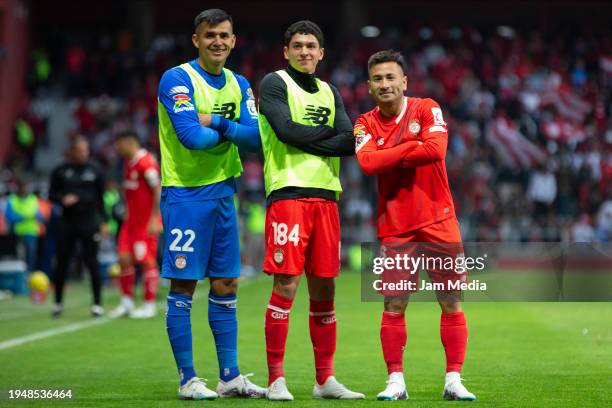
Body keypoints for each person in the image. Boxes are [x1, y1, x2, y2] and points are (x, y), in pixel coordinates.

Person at [354, 50, 476, 401]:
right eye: (378, 79)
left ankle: (454, 379)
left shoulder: (425, 107)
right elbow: (366, 164)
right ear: (369, 86)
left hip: (439, 220)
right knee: (394, 304)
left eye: (391, 77)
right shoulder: (364, 122)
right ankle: (395, 381)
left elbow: (437, 149)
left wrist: (385, 154)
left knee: (451, 300)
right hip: (395, 227)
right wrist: (410, 145)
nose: (385, 84)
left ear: (404, 81)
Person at [157, 8, 265, 400]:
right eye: (210, 36)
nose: (217, 41)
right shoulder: (177, 80)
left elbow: (256, 141)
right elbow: (190, 137)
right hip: (185, 193)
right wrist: (232, 130)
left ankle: (230, 376)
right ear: (196, 40)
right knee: (184, 284)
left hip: (223, 192)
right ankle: (188, 379)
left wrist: (217, 123)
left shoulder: (239, 83)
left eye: (224, 35)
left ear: (234, 41)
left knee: (227, 282)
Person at [258, 20, 362, 401]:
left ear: (321, 53)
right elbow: (285, 131)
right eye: (297, 45)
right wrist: (327, 137)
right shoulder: (274, 83)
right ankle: (276, 379)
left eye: (311, 46)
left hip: (327, 198)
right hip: (288, 194)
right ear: (286, 51)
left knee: (325, 290)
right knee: (286, 285)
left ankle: (325, 380)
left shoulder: (330, 90)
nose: (304, 51)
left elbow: (351, 142)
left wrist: (307, 136)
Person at [49, 136, 107, 318]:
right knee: (62, 263)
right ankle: (58, 303)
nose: (84, 154)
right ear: (72, 151)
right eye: (80, 151)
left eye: (86, 151)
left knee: (92, 262)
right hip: (67, 222)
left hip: (88, 222)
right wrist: (62, 199)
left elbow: (100, 199)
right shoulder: (60, 171)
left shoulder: (95, 170)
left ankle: (97, 304)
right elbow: (51, 194)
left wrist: (103, 221)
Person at [109, 130, 161, 319]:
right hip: (130, 222)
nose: (117, 148)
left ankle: (149, 305)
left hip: (144, 223)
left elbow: (158, 188)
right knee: (123, 259)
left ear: (130, 143)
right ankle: (127, 303)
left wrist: (155, 218)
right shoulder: (127, 163)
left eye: (120, 144)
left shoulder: (146, 162)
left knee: (147, 261)